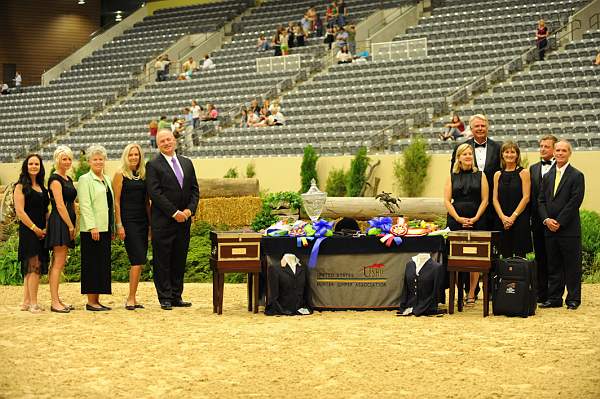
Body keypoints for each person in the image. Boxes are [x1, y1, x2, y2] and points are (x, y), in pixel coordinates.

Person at [146, 129, 199, 310]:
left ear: (174, 140)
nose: (166, 143)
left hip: (184, 222)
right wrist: (174, 212)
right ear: (158, 144)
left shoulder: (187, 163)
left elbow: (194, 190)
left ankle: (177, 295)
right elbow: (155, 193)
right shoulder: (153, 165)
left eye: (169, 139)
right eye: (162, 141)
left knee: (179, 259)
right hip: (164, 222)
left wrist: (189, 211)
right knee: (163, 261)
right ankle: (165, 297)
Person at [538, 140, 585, 310]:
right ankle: (554, 298)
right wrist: (546, 220)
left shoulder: (576, 175)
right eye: (557, 150)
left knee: (572, 265)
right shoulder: (547, 176)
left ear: (569, 153)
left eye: (563, 150)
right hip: (549, 228)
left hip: (568, 229)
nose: (559, 153)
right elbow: (541, 200)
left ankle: (573, 299)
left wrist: (559, 221)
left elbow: (575, 201)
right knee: (554, 265)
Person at [444, 143, 489, 306]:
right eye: (465, 154)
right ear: (458, 158)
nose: (468, 156)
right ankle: (458, 294)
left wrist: (476, 217)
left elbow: (485, 199)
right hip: (456, 220)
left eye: (470, 153)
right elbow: (447, 201)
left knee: (475, 258)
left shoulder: (481, 175)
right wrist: (458, 218)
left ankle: (471, 293)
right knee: (456, 258)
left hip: (478, 219)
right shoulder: (451, 176)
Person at [77, 145, 114, 311]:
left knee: (101, 264)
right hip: (92, 230)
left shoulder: (106, 179)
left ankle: (96, 301)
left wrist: (111, 227)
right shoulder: (85, 179)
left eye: (101, 159)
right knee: (92, 264)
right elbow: (84, 205)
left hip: (105, 228)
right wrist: (92, 226)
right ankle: (91, 302)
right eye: (95, 159)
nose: (98, 161)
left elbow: (110, 205)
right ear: (89, 161)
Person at [113, 144, 149, 310]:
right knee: (137, 259)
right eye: (131, 154)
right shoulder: (120, 175)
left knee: (140, 261)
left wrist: (151, 225)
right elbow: (117, 201)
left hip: (142, 222)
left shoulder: (142, 175)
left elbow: (146, 202)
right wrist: (119, 224)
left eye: (137, 154)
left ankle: (133, 297)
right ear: (126, 156)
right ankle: (130, 298)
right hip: (128, 222)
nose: (134, 157)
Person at [450, 114, 501, 229]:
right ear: (471, 129)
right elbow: (453, 175)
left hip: (492, 204)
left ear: (487, 128)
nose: (480, 128)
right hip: (466, 204)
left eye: (483, 126)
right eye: (476, 126)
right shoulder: (461, 147)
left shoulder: (498, 148)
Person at [15, 154, 50, 313]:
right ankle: (34, 304)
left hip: (41, 231)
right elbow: (20, 212)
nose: (34, 166)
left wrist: (46, 227)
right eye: (31, 163)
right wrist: (35, 228)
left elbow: (45, 211)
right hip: (29, 231)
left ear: (40, 166)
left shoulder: (42, 188)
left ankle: (26, 302)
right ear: (26, 166)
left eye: (37, 163)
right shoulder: (20, 186)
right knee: (34, 265)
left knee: (32, 266)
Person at [45, 146, 77, 313]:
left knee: (60, 262)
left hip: (67, 221)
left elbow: (71, 203)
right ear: (57, 159)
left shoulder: (68, 178)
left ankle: (57, 299)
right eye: (64, 159)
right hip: (60, 222)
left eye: (69, 159)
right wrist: (70, 225)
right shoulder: (55, 179)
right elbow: (59, 205)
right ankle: (54, 302)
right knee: (57, 262)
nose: (67, 161)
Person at [530, 134, 558, 303]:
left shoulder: (562, 168)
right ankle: (541, 294)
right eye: (541, 146)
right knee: (540, 257)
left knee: (554, 259)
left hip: (555, 221)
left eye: (546, 146)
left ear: (555, 149)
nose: (542, 149)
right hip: (537, 221)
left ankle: (554, 295)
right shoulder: (533, 168)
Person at [492, 141, 532, 258]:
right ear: (502, 155)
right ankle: (505, 277)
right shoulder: (497, 174)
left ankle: (520, 276)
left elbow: (526, 197)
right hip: (502, 219)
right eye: (506, 152)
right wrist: (503, 217)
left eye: (512, 152)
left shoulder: (524, 173)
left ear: (517, 155)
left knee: (520, 255)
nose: (509, 155)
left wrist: (513, 217)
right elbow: (494, 199)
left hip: (519, 219)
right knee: (504, 254)